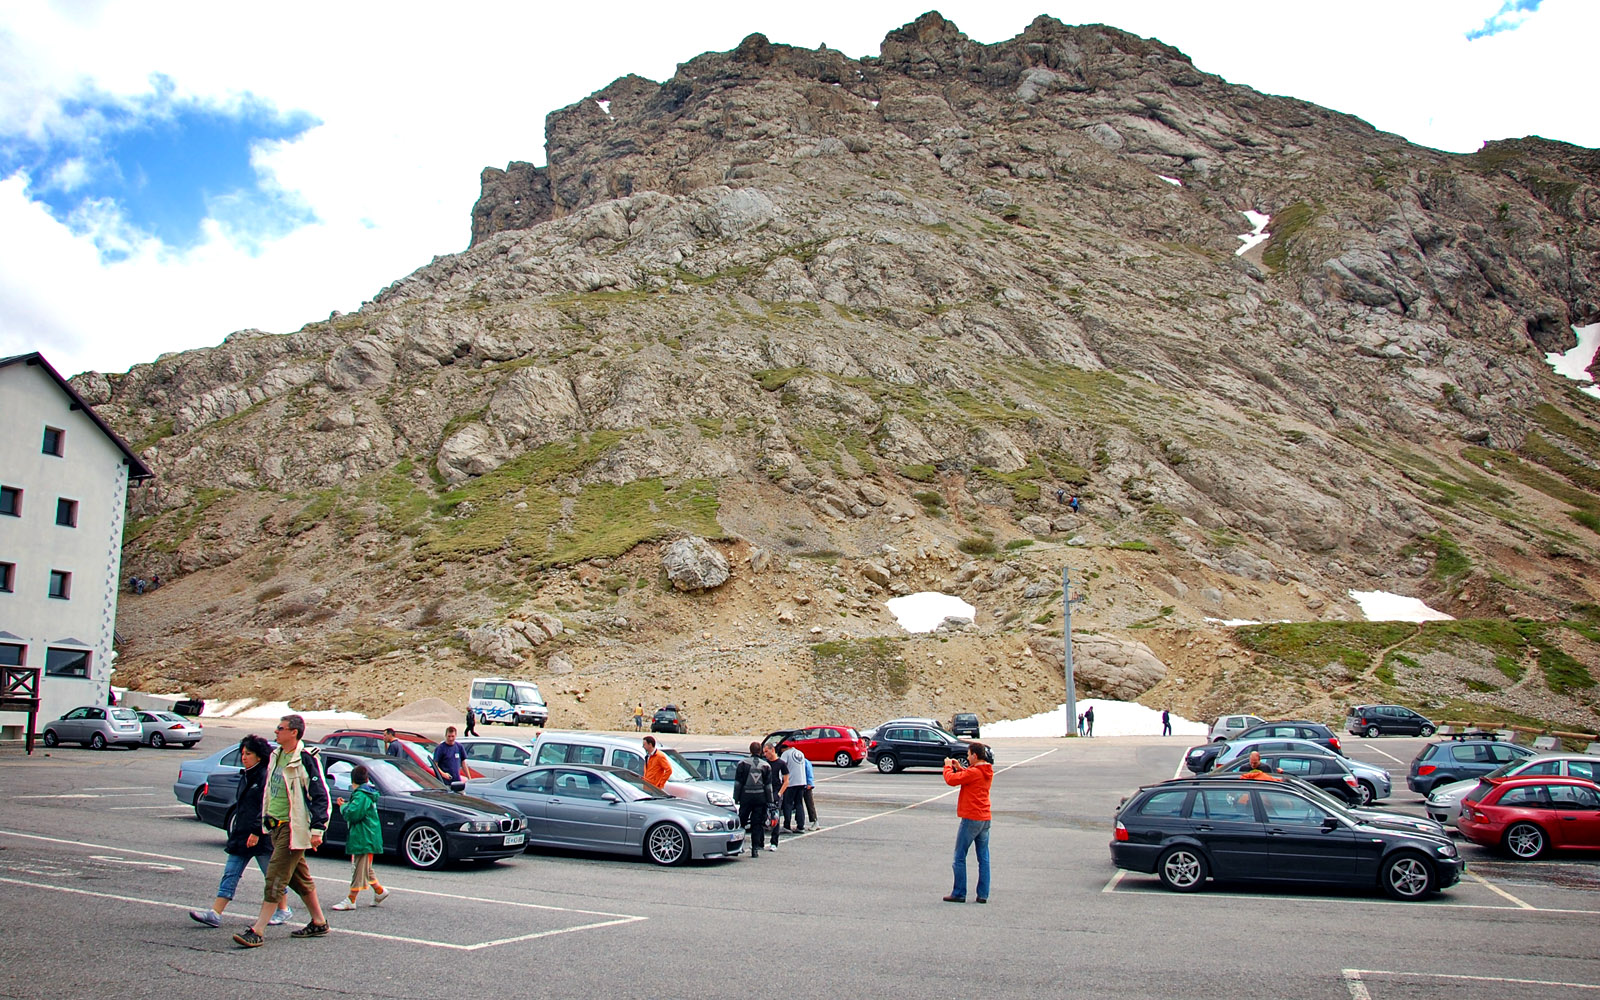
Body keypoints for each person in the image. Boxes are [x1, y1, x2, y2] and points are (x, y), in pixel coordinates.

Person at [233, 714, 330, 947]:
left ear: (293, 732)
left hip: (292, 827)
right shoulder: (276, 756)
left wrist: (318, 829)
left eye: (280, 728)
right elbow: (269, 791)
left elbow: (320, 795)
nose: (276, 731)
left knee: (275, 876)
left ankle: (257, 930)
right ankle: (319, 921)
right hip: (274, 826)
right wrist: (262, 822)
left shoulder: (305, 759)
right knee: (298, 878)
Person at [189, 735, 292, 928]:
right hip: (241, 835)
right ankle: (215, 913)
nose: (244, 757)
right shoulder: (246, 775)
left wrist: (256, 831)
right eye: (243, 754)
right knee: (231, 873)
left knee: (272, 875)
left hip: (261, 837)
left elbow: (266, 807)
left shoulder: (265, 776)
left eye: (249, 754)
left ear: (259, 756)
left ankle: (283, 909)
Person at [942, 742, 994, 903]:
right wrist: (960, 768)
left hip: (972, 817)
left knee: (959, 856)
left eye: (968, 754)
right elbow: (969, 777)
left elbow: (951, 780)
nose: (967, 757)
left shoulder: (975, 772)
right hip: (985, 818)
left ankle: (959, 892)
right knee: (983, 858)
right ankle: (983, 894)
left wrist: (948, 767)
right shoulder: (985, 771)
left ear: (975, 756)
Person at [331, 765, 388, 911]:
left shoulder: (361, 795)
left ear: (352, 781)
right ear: (367, 779)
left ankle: (351, 898)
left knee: (358, 868)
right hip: (369, 835)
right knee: (365, 867)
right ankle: (379, 891)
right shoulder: (367, 793)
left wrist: (343, 807)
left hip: (363, 836)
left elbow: (353, 814)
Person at [732, 741, 772, 857]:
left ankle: (738, 847)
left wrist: (736, 797)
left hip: (746, 797)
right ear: (760, 751)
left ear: (750, 750)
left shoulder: (742, 763)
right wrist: (770, 801)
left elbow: (738, 783)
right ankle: (755, 849)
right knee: (757, 823)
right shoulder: (766, 765)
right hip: (760, 798)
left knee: (741, 822)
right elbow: (768, 786)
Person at [762, 744, 787, 851]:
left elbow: (786, 781)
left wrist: (780, 793)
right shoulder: (765, 763)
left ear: (772, 750)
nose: (765, 754)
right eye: (764, 752)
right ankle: (760, 842)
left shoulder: (781, 764)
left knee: (775, 817)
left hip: (776, 793)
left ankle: (774, 842)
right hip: (765, 793)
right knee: (762, 816)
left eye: (766, 751)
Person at [779, 741, 808, 833]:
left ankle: (787, 825)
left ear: (783, 749)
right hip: (802, 782)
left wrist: (780, 779)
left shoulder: (786, 754)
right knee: (799, 804)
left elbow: (781, 766)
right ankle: (801, 826)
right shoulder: (800, 753)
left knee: (787, 804)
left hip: (791, 782)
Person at [801, 755, 818, 828]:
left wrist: (810, 783)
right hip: (801, 785)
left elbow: (809, 772)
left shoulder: (805, 762)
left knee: (809, 803)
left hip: (806, 786)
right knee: (800, 804)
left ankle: (815, 821)